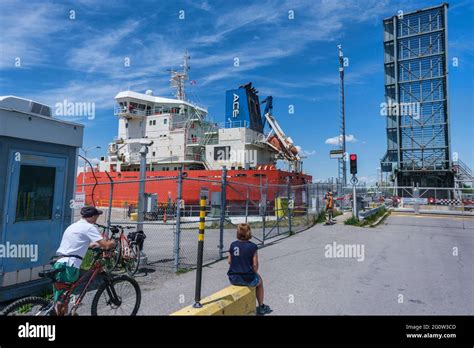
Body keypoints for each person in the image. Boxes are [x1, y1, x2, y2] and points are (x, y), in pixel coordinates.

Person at [52, 206, 115, 315]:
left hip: (59, 262)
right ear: (92, 216)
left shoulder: (74, 226)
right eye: (96, 216)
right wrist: (113, 242)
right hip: (70, 265)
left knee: (63, 297)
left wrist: (92, 244)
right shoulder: (89, 227)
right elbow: (106, 244)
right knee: (62, 301)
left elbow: (77, 243)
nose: (97, 219)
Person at [227, 223, 272, 315]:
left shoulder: (233, 245)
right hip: (247, 278)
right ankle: (261, 306)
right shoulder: (252, 246)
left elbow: (229, 261)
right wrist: (254, 273)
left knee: (252, 279)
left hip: (233, 278)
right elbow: (255, 265)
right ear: (249, 233)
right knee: (260, 282)